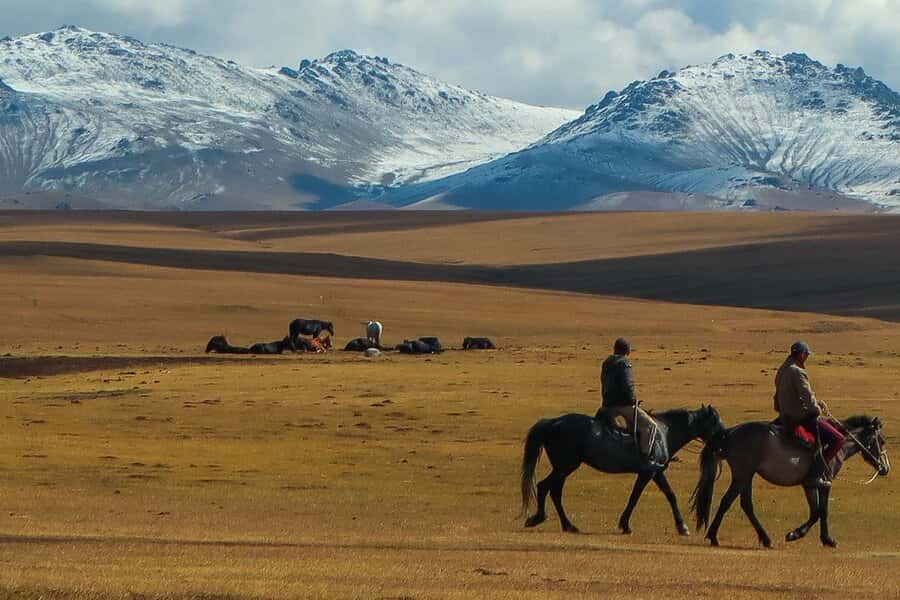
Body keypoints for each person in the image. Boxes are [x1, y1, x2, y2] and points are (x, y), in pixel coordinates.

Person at [774, 341, 846, 488]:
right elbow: (806, 397)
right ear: (801, 354)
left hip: (784, 416)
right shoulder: (797, 371)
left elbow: (782, 396)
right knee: (838, 439)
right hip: (799, 418)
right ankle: (816, 474)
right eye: (806, 354)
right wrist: (816, 410)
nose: (807, 357)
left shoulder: (782, 369)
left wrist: (817, 402)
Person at [600, 337, 661, 468]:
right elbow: (627, 385)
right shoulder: (624, 363)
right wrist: (633, 400)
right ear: (628, 351)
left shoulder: (606, 362)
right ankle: (646, 459)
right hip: (622, 405)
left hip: (606, 405)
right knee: (650, 427)